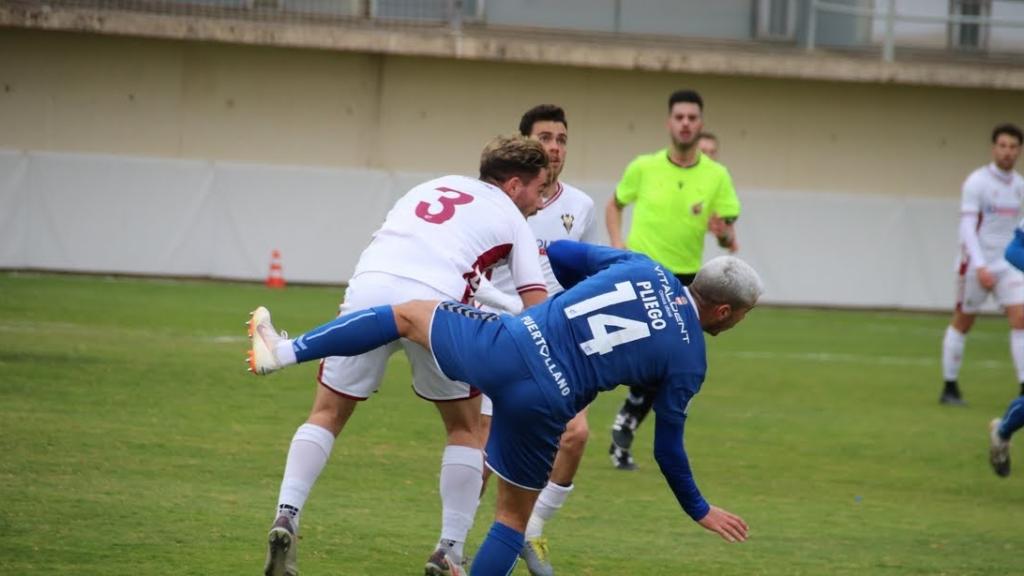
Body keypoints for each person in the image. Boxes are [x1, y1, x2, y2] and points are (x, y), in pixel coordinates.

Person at [247, 240, 762, 575]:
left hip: (510, 342)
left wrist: (559, 312)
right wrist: (700, 509)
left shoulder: (642, 265)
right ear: (722, 310)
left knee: (404, 315)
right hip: (547, 402)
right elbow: (667, 447)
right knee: (511, 522)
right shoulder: (691, 359)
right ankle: (455, 553)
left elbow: (555, 253)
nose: (737, 322)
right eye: (741, 316)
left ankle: (284, 352)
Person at [258, 135, 551, 576]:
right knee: (466, 428)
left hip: (370, 288)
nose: (540, 201)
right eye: (538, 189)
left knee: (327, 412)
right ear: (514, 185)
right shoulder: (513, 218)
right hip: (434, 307)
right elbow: (537, 309)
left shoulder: (434, 185)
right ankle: (449, 549)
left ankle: (287, 514)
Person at [473, 105, 598, 576]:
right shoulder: (498, 201)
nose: (555, 147)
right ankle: (454, 543)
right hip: (499, 334)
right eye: (546, 137)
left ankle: (534, 528)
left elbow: (578, 273)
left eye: (563, 139)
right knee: (484, 451)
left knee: (576, 434)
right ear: (525, 142)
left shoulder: (580, 206)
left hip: (555, 338)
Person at [605, 91, 742, 470]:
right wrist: (618, 246)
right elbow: (614, 204)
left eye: (692, 117)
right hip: (640, 270)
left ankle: (627, 424)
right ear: (669, 122)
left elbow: (730, 239)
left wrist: (723, 233)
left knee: (669, 362)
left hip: (685, 280)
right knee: (619, 350)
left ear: (700, 123)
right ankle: (609, 420)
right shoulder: (644, 167)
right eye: (679, 116)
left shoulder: (717, 176)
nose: (685, 123)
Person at [940, 122, 1024, 406]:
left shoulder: (1020, 186)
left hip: (1008, 264)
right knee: (963, 322)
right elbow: (967, 226)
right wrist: (980, 265)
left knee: (1021, 319)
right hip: (976, 263)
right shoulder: (976, 182)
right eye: (1003, 146)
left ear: (1019, 151)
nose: (1008, 152)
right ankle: (949, 386)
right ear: (993, 148)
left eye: (1013, 147)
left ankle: (1023, 388)